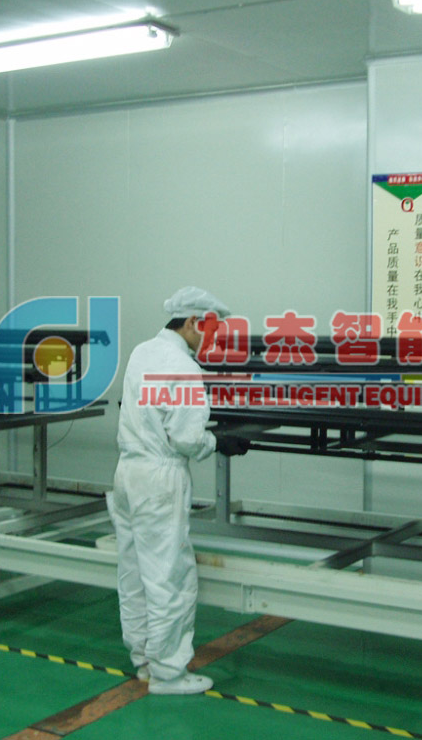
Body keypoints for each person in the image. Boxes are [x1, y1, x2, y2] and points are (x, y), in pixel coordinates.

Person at [109, 286, 248, 695]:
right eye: (210, 331)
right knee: (168, 578)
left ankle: (144, 661)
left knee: (134, 574)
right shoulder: (183, 366)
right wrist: (218, 442)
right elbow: (186, 437)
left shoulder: (142, 352)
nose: (212, 340)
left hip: (127, 473)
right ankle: (169, 674)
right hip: (159, 478)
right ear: (191, 323)